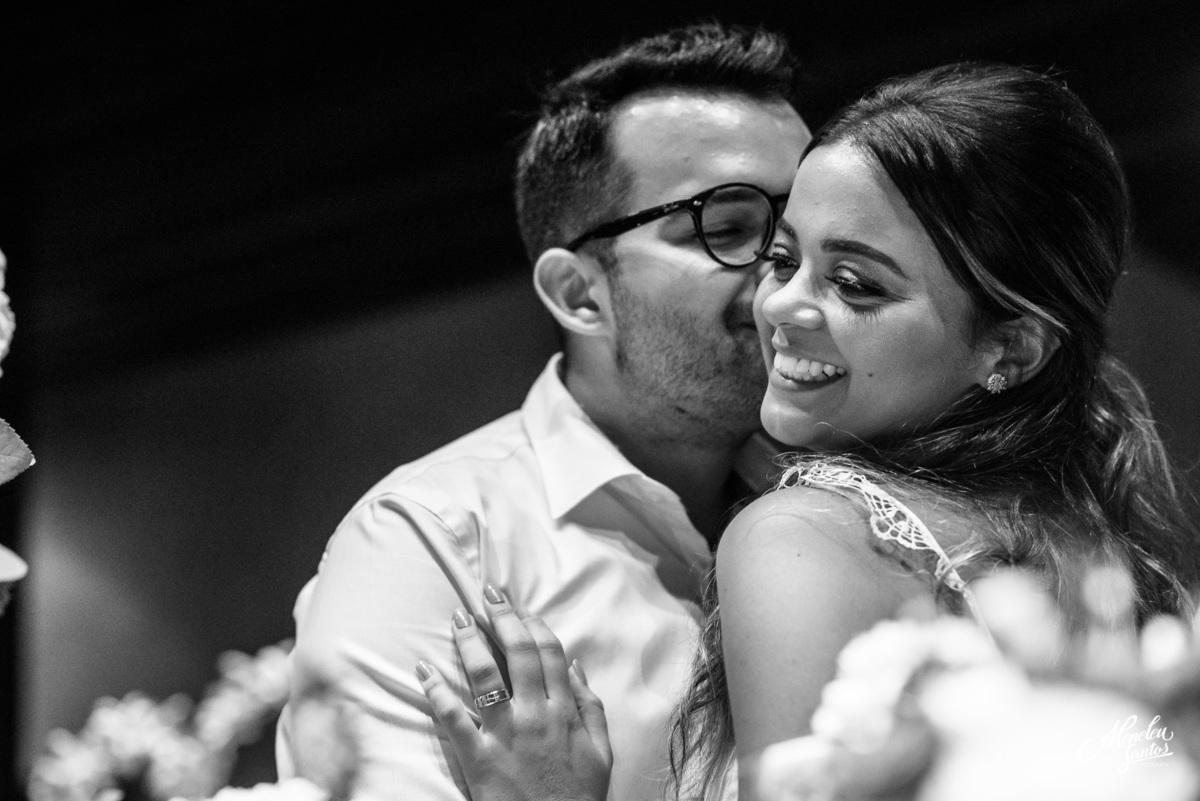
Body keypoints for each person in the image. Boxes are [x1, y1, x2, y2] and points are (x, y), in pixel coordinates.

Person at [417, 61, 1200, 801]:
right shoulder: (1106, 548)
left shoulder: (800, 535)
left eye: (855, 283)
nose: (783, 305)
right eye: (784, 257)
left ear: (1011, 347)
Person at [276, 22, 812, 801]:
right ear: (577, 293)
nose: (786, 280)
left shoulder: (865, 498)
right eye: (728, 228)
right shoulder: (431, 545)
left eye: (802, 232)